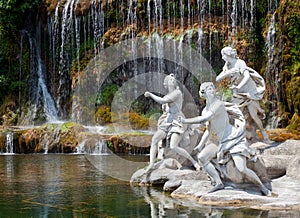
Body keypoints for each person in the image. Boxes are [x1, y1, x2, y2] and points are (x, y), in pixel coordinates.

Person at [179, 82, 271, 196]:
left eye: (211, 88)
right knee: (202, 157)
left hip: (232, 139)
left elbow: (204, 119)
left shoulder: (218, 104)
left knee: (241, 168)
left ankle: (262, 187)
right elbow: (209, 130)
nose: (210, 91)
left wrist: (185, 121)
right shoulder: (205, 109)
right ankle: (218, 182)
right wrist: (200, 145)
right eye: (206, 89)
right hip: (218, 142)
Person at [144, 74, 200, 172]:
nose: (172, 80)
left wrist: (150, 94)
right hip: (168, 122)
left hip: (177, 122)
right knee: (154, 139)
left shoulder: (177, 93)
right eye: (170, 79)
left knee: (173, 146)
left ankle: (194, 162)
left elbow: (162, 101)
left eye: (173, 79)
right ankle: (152, 164)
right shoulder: (169, 95)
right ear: (166, 83)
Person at [216, 47, 270, 142]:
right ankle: (238, 137)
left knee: (254, 115)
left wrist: (238, 86)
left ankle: (264, 134)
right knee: (237, 115)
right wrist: (228, 73)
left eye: (223, 55)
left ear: (229, 55)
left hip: (249, 92)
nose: (222, 57)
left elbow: (247, 76)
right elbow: (217, 78)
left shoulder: (240, 63)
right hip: (238, 93)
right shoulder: (227, 66)